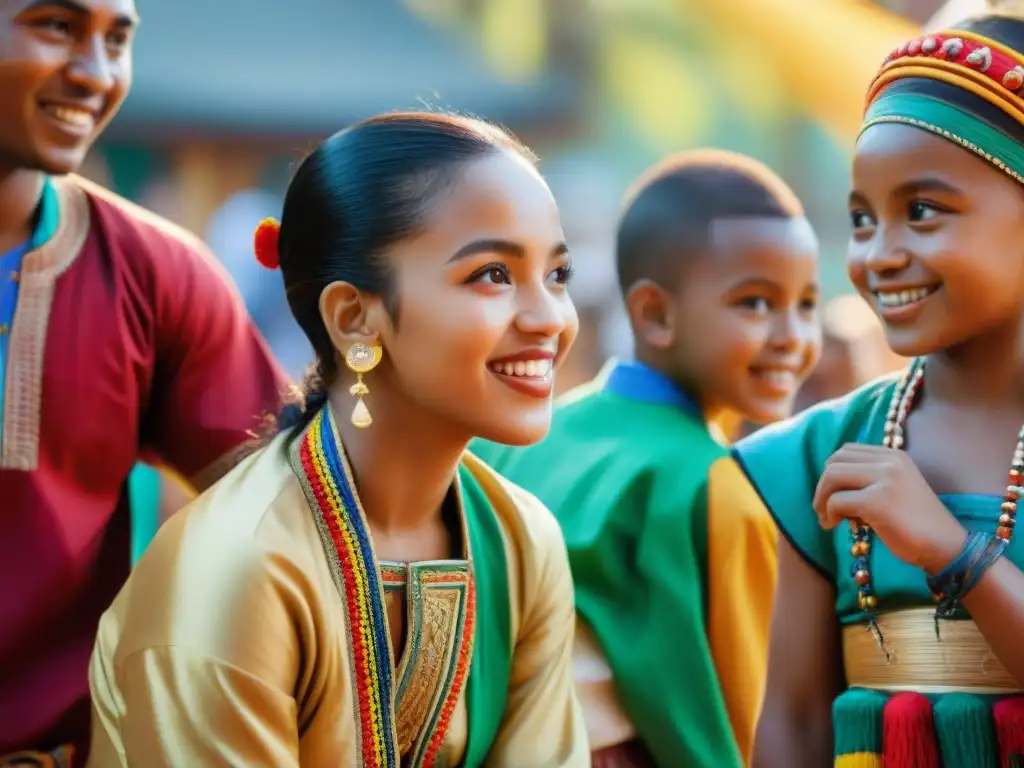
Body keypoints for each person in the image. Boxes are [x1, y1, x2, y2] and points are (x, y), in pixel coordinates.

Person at [87, 112, 589, 767]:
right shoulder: (235, 565)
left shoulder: (523, 540)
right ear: (354, 318)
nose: (549, 318)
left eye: (557, 275)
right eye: (492, 274)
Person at [0, 1, 288, 764]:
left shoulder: (157, 274)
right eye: (56, 26)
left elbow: (300, 515)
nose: (96, 74)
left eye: (117, 39)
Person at [736, 9, 1024, 767]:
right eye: (862, 219)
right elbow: (793, 726)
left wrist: (950, 552)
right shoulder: (816, 455)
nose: (878, 255)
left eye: (922, 211)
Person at [472, 150, 822, 767]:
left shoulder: (515, 437)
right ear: (655, 314)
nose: (792, 335)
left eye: (806, 304)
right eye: (756, 303)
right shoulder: (711, 482)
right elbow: (744, 715)